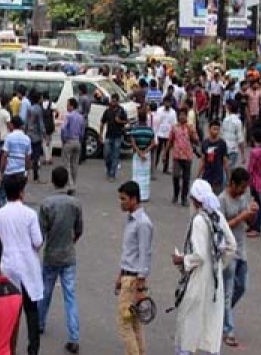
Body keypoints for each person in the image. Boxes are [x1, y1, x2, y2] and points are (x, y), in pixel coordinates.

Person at [172, 179, 236, 355]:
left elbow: (198, 255)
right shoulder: (218, 216)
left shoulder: (199, 220)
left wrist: (181, 259)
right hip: (215, 282)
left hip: (198, 280)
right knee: (210, 324)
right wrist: (218, 265)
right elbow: (231, 246)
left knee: (188, 325)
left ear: (195, 201)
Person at [0, 174, 43, 355]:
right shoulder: (30, 214)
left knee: (10, 314)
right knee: (31, 313)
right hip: (27, 267)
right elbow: (38, 242)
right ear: (22, 193)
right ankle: (33, 350)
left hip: (7, 268)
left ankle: (9, 349)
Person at [38, 167, 83, 354]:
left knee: (45, 291)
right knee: (70, 296)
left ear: (53, 181)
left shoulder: (46, 204)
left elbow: (40, 233)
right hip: (68, 255)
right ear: (67, 181)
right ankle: (74, 336)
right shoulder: (75, 204)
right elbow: (79, 229)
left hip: (51, 254)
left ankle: (39, 323)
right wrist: (72, 241)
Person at [218, 167, 258, 348]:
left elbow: (249, 222)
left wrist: (252, 213)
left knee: (242, 286)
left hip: (241, 250)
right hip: (228, 251)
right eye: (241, 187)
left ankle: (221, 313)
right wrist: (242, 216)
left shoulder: (243, 199)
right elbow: (221, 227)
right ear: (232, 183)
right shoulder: (221, 200)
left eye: (245, 187)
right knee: (227, 291)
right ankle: (228, 330)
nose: (243, 191)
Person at [115, 181, 153, 355]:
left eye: (123, 199)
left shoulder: (142, 223)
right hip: (128, 277)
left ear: (134, 199)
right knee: (134, 324)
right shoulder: (132, 220)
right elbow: (130, 254)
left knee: (124, 324)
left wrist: (140, 286)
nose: (121, 202)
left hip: (133, 281)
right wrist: (120, 275)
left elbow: (145, 255)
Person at [165, 108, 200, 207]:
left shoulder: (190, 127)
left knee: (186, 178)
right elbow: (170, 141)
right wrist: (165, 152)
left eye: (184, 115)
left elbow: (196, 140)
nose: (182, 117)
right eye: (180, 115)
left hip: (187, 156)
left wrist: (192, 133)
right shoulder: (174, 127)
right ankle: (176, 194)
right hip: (177, 156)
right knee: (175, 176)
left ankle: (184, 198)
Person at [0, 116, 31, 209]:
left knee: (2, 194)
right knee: (19, 194)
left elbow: (5, 155)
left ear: (12, 125)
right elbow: (28, 157)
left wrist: (0, 171)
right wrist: (27, 171)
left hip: (10, 170)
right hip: (21, 170)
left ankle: (1, 214)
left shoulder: (9, 137)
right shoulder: (27, 138)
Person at [197, 120, 230, 195]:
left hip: (217, 177)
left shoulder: (222, 143)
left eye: (218, 129)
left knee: (216, 199)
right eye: (214, 129)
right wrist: (198, 175)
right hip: (206, 176)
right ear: (209, 129)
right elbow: (202, 160)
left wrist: (228, 177)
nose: (216, 131)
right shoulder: (205, 143)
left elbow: (225, 161)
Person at [100, 93, 128, 182]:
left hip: (118, 136)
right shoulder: (107, 111)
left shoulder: (121, 110)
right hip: (108, 136)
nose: (113, 102)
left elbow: (126, 121)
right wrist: (100, 135)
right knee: (106, 155)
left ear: (117, 101)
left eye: (115, 101)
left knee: (115, 156)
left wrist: (120, 121)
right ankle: (109, 169)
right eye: (112, 101)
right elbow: (102, 122)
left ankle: (112, 174)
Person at [129, 111, 156, 201]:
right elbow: (153, 143)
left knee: (136, 175)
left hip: (137, 155)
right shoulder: (150, 130)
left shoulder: (134, 130)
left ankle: (136, 196)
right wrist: (145, 151)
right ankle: (144, 196)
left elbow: (133, 143)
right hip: (146, 155)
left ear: (138, 118)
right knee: (145, 176)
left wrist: (139, 152)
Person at [61, 98, 84, 192]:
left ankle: (70, 185)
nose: (66, 106)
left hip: (69, 141)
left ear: (71, 106)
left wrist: (64, 139)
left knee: (66, 164)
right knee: (75, 164)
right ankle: (73, 183)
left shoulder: (68, 116)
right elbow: (82, 131)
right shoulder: (81, 117)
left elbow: (63, 128)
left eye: (67, 104)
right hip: (77, 141)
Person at [246, 129, 261, 237]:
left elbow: (250, 167)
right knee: (257, 202)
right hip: (260, 179)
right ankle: (254, 225)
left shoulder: (254, 152)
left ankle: (256, 227)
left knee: (256, 203)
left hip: (254, 179)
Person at [26, 90, 46, 183]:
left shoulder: (30, 108)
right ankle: (35, 177)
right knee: (36, 156)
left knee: (28, 155)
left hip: (29, 133)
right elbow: (41, 124)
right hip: (36, 135)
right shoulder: (38, 109)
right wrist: (44, 134)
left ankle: (25, 174)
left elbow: (26, 122)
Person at [154, 95, 177, 174]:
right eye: (166, 102)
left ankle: (165, 168)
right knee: (157, 151)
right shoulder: (159, 110)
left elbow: (174, 124)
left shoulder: (173, 112)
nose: (167, 104)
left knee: (167, 152)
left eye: (169, 102)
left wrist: (174, 136)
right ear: (163, 102)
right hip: (159, 133)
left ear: (171, 103)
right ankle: (154, 166)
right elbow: (156, 122)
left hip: (168, 134)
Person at [221, 99, 245, 169]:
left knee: (224, 169)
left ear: (229, 107)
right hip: (233, 149)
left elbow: (222, 134)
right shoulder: (238, 122)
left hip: (224, 148)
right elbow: (240, 139)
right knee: (229, 170)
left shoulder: (225, 119)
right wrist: (243, 155)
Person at [77, 84, 91, 163]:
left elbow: (80, 110)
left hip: (81, 120)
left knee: (79, 140)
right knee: (84, 139)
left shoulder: (82, 98)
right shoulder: (88, 98)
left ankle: (79, 158)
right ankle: (83, 156)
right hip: (85, 120)